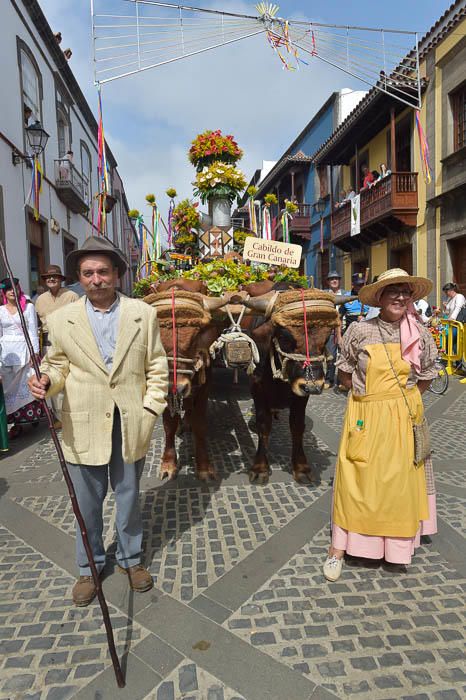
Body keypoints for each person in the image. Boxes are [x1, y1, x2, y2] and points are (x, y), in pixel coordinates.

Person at [29, 236, 168, 606]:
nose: (96, 279)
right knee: (86, 503)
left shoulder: (143, 314)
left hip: (129, 420)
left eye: (103, 271)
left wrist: (151, 409)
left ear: (117, 275)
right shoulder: (61, 320)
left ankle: (130, 559)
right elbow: (56, 364)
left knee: (128, 497)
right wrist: (45, 380)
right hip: (83, 421)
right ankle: (89, 568)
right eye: (88, 273)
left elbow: (157, 366)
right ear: (79, 277)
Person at [323, 268, 438, 582]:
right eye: (393, 291)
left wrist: (403, 403)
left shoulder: (421, 334)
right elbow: (345, 374)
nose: (400, 297)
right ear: (380, 297)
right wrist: (371, 398)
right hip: (366, 414)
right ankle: (338, 549)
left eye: (405, 292)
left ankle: (396, 549)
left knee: (398, 484)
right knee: (356, 479)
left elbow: (426, 375)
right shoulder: (360, 331)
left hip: (403, 416)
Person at [0, 277, 45, 438]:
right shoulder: (1, 310)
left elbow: (33, 330)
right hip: (7, 355)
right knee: (8, 389)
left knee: (25, 385)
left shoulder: (28, 308)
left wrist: (34, 352)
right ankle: (12, 422)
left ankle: (23, 421)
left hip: (25, 351)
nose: (12, 291)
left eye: (14, 288)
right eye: (8, 289)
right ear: (4, 292)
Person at [35, 265, 78, 426]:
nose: (51, 279)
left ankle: (74, 411)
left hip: (69, 341)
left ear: (61, 279)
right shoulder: (40, 300)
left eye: (55, 277)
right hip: (49, 343)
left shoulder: (72, 296)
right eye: (48, 277)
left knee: (72, 378)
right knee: (52, 378)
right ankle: (59, 416)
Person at [323, 271, 348, 389]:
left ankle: (342, 381)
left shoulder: (346, 294)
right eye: (331, 279)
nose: (334, 280)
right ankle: (329, 379)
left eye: (336, 278)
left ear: (339, 280)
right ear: (328, 282)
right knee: (331, 356)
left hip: (345, 329)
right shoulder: (324, 295)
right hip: (330, 330)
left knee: (345, 356)